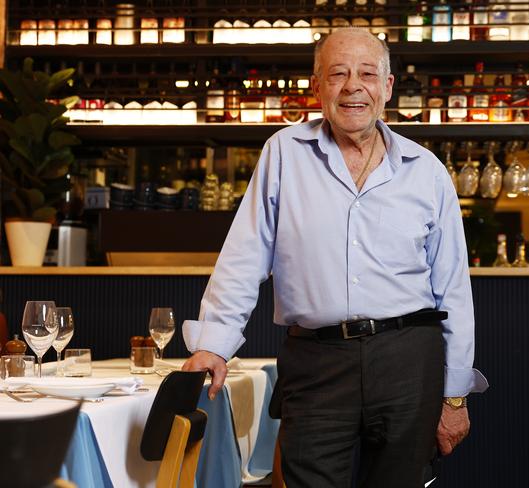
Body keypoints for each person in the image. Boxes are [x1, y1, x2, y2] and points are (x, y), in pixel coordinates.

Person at [182, 27, 488, 487]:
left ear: (386, 87)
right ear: (317, 84)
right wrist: (214, 343)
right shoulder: (283, 153)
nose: (352, 87)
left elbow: (454, 293)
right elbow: (244, 255)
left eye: (367, 74)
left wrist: (456, 396)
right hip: (316, 362)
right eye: (338, 74)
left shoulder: (427, 172)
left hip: (409, 361)